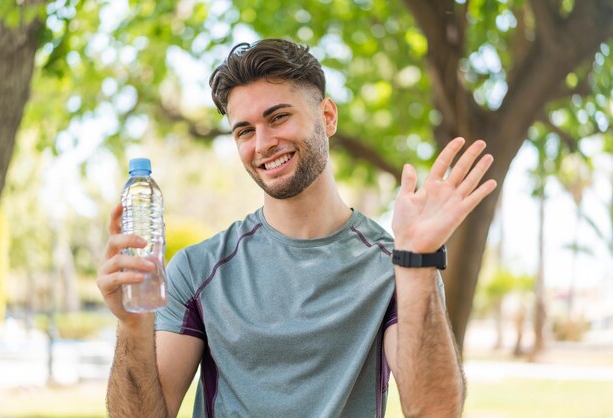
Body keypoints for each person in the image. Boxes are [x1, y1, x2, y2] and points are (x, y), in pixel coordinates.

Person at [97, 38, 497, 418]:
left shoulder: (398, 266)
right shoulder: (198, 270)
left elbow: (435, 412)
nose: (263, 143)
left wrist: (419, 259)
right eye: (245, 131)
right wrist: (132, 324)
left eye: (279, 117)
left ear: (327, 117)